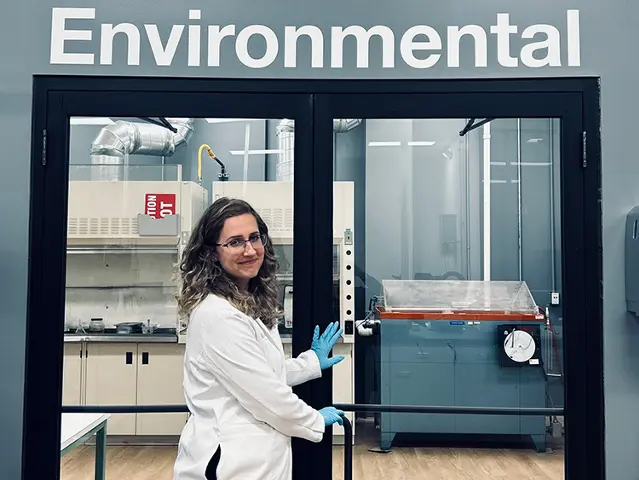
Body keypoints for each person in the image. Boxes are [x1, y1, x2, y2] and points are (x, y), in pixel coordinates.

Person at [173, 197, 346, 480]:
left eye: (254, 237)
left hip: (255, 458)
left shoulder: (247, 303)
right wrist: (313, 419)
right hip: (230, 462)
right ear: (212, 253)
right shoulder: (218, 316)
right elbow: (266, 396)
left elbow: (259, 373)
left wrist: (310, 362)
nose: (250, 250)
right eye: (235, 242)